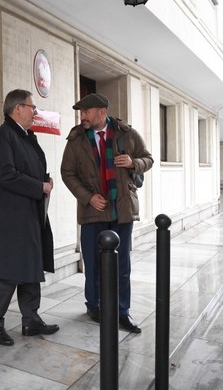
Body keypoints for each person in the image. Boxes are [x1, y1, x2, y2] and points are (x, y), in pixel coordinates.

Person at [60, 93, 153, 334]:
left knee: (122, 265)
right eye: (81, 113)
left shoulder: (126, 133)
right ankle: (95, 306)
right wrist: (88, 197)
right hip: (93, 212)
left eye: (86, 112)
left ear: (101, 112)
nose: (82, 117)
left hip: (121, 210)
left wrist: (133, 163)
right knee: (92, 264)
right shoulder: (76, 139)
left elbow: (148, 159)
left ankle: (123, 311)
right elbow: (67, 172)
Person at [0, 89, 59, 346]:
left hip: (29, 215)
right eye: (31, 107)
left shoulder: (25, 136)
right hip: (11, 219)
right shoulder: (3, 137)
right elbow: (6, 175)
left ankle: (31, 320)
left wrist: (43, 180)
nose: (35, 111)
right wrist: (39, 187)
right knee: (9, 274)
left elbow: (29, 168)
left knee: (31, 268)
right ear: (17, 108)